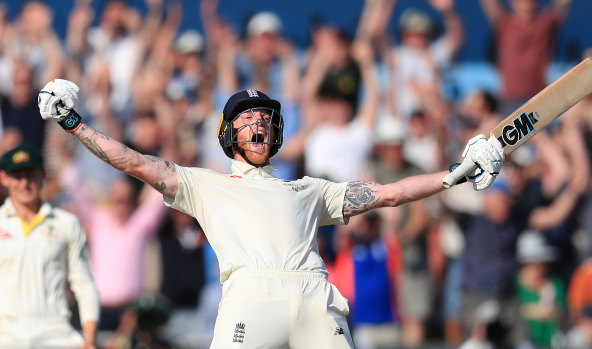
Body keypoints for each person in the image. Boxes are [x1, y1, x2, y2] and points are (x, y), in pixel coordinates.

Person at [37, 78, 505, 348]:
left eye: (264, 117)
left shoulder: (308, 189)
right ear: (227, 134)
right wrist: (72, 122)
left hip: (314, 296)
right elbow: (134, 161)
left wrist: (454, 173)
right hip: (250, 297)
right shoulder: (205, 185)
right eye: (246, 117)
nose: (258, 122)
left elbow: (389, 194)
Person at [0, 143, 99, 348]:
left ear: (43, 174)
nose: (25, 183)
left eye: (31, 175)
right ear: (4, 178)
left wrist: (89, 339)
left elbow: (83, 283)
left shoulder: (66, 222)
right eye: (17, 176)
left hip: (56, 335)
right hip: (7, 336)